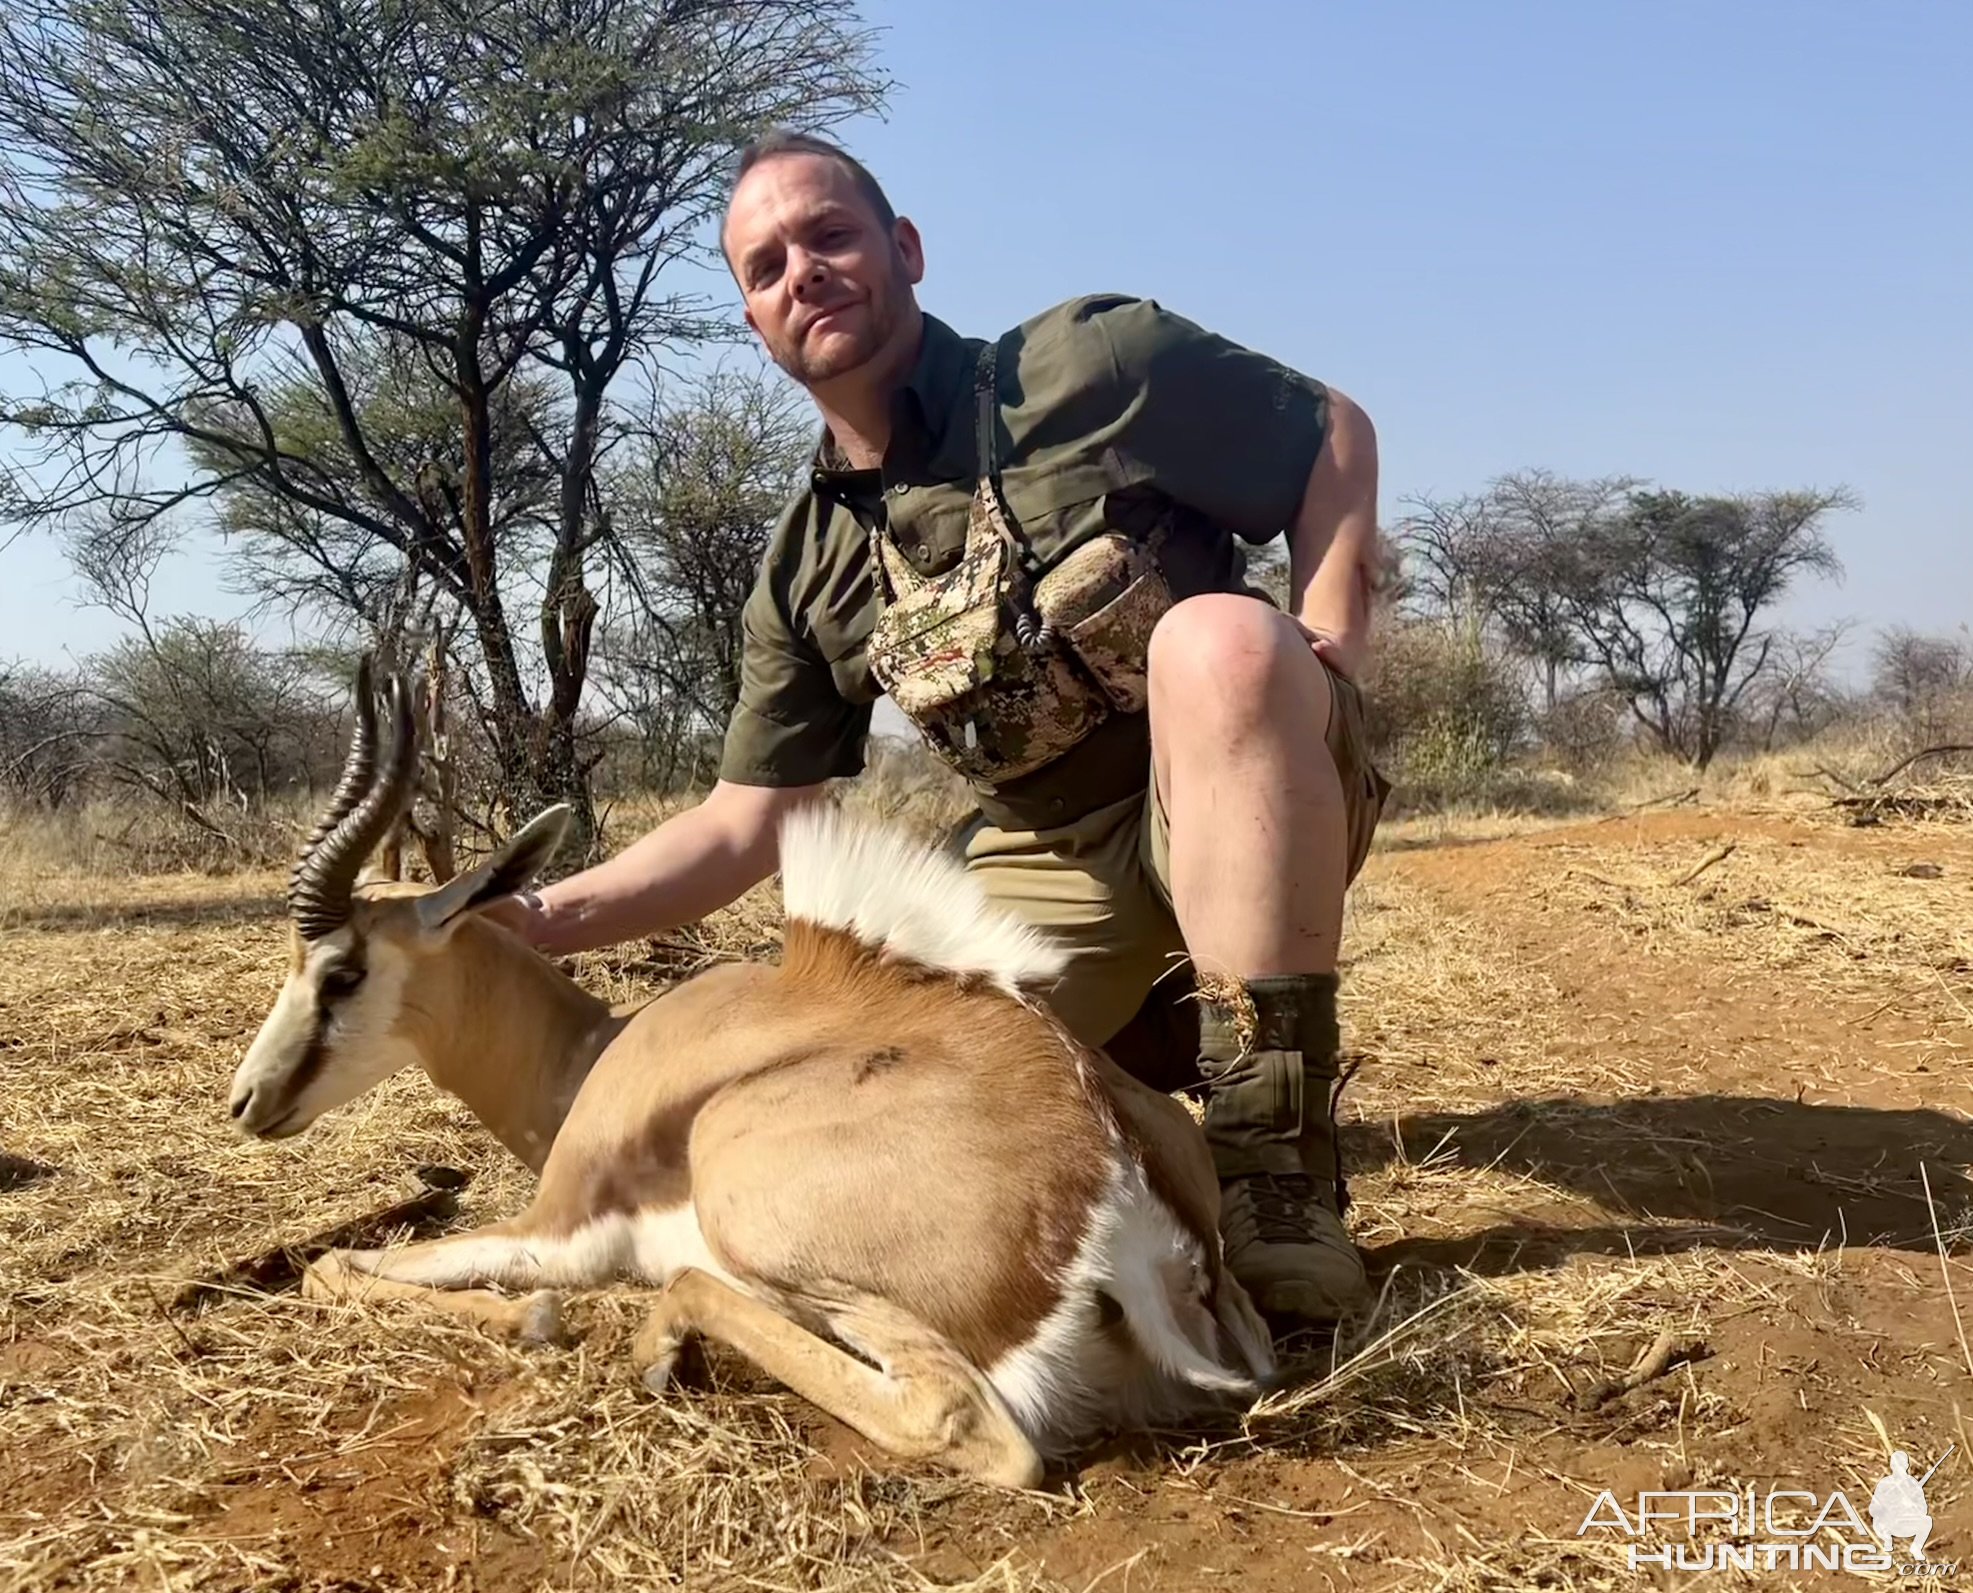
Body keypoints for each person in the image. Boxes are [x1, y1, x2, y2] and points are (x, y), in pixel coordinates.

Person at [489, 129, 1391, 1329]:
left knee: (1220, 644)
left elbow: (1328, 431)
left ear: (903, 250)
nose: (800, 272)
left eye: (828, 236)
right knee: (865, 1062)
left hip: (1237, 793)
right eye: (763, 267)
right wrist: (526, 924)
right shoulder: (806, 566)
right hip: (1049, 860)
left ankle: (1277, 1177)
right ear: (755, 321)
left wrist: (1328, 636)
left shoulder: (1087, 363)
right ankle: (1121, 1116)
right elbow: (753, 819)